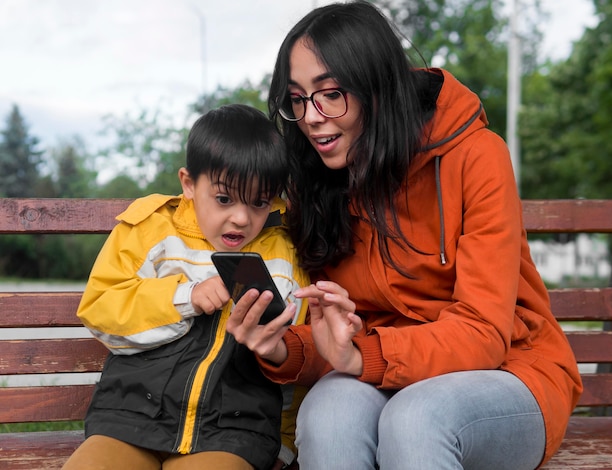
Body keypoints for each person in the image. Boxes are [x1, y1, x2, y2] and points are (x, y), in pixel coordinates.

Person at [224, 2, 583, 469]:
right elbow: (340, 342)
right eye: (296, 99)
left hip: (510, 371)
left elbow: (483, 332)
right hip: (386, 371)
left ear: (375, 87)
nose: (311, 116)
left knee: (417, 418)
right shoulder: (317, 185)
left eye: (330, 93)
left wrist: (360, 355)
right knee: (328, 415)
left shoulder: (476, 156)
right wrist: (282, 348)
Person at [62, 104, 309, 470]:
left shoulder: (284, 255)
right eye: (224, 199)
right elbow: (100, 308)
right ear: (189, 183)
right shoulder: (149, 229)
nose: (241, 218)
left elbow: (297, 357)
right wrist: (184, 297)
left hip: (234, 434)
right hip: (130, 421)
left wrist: (284, 445)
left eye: (259, 202)